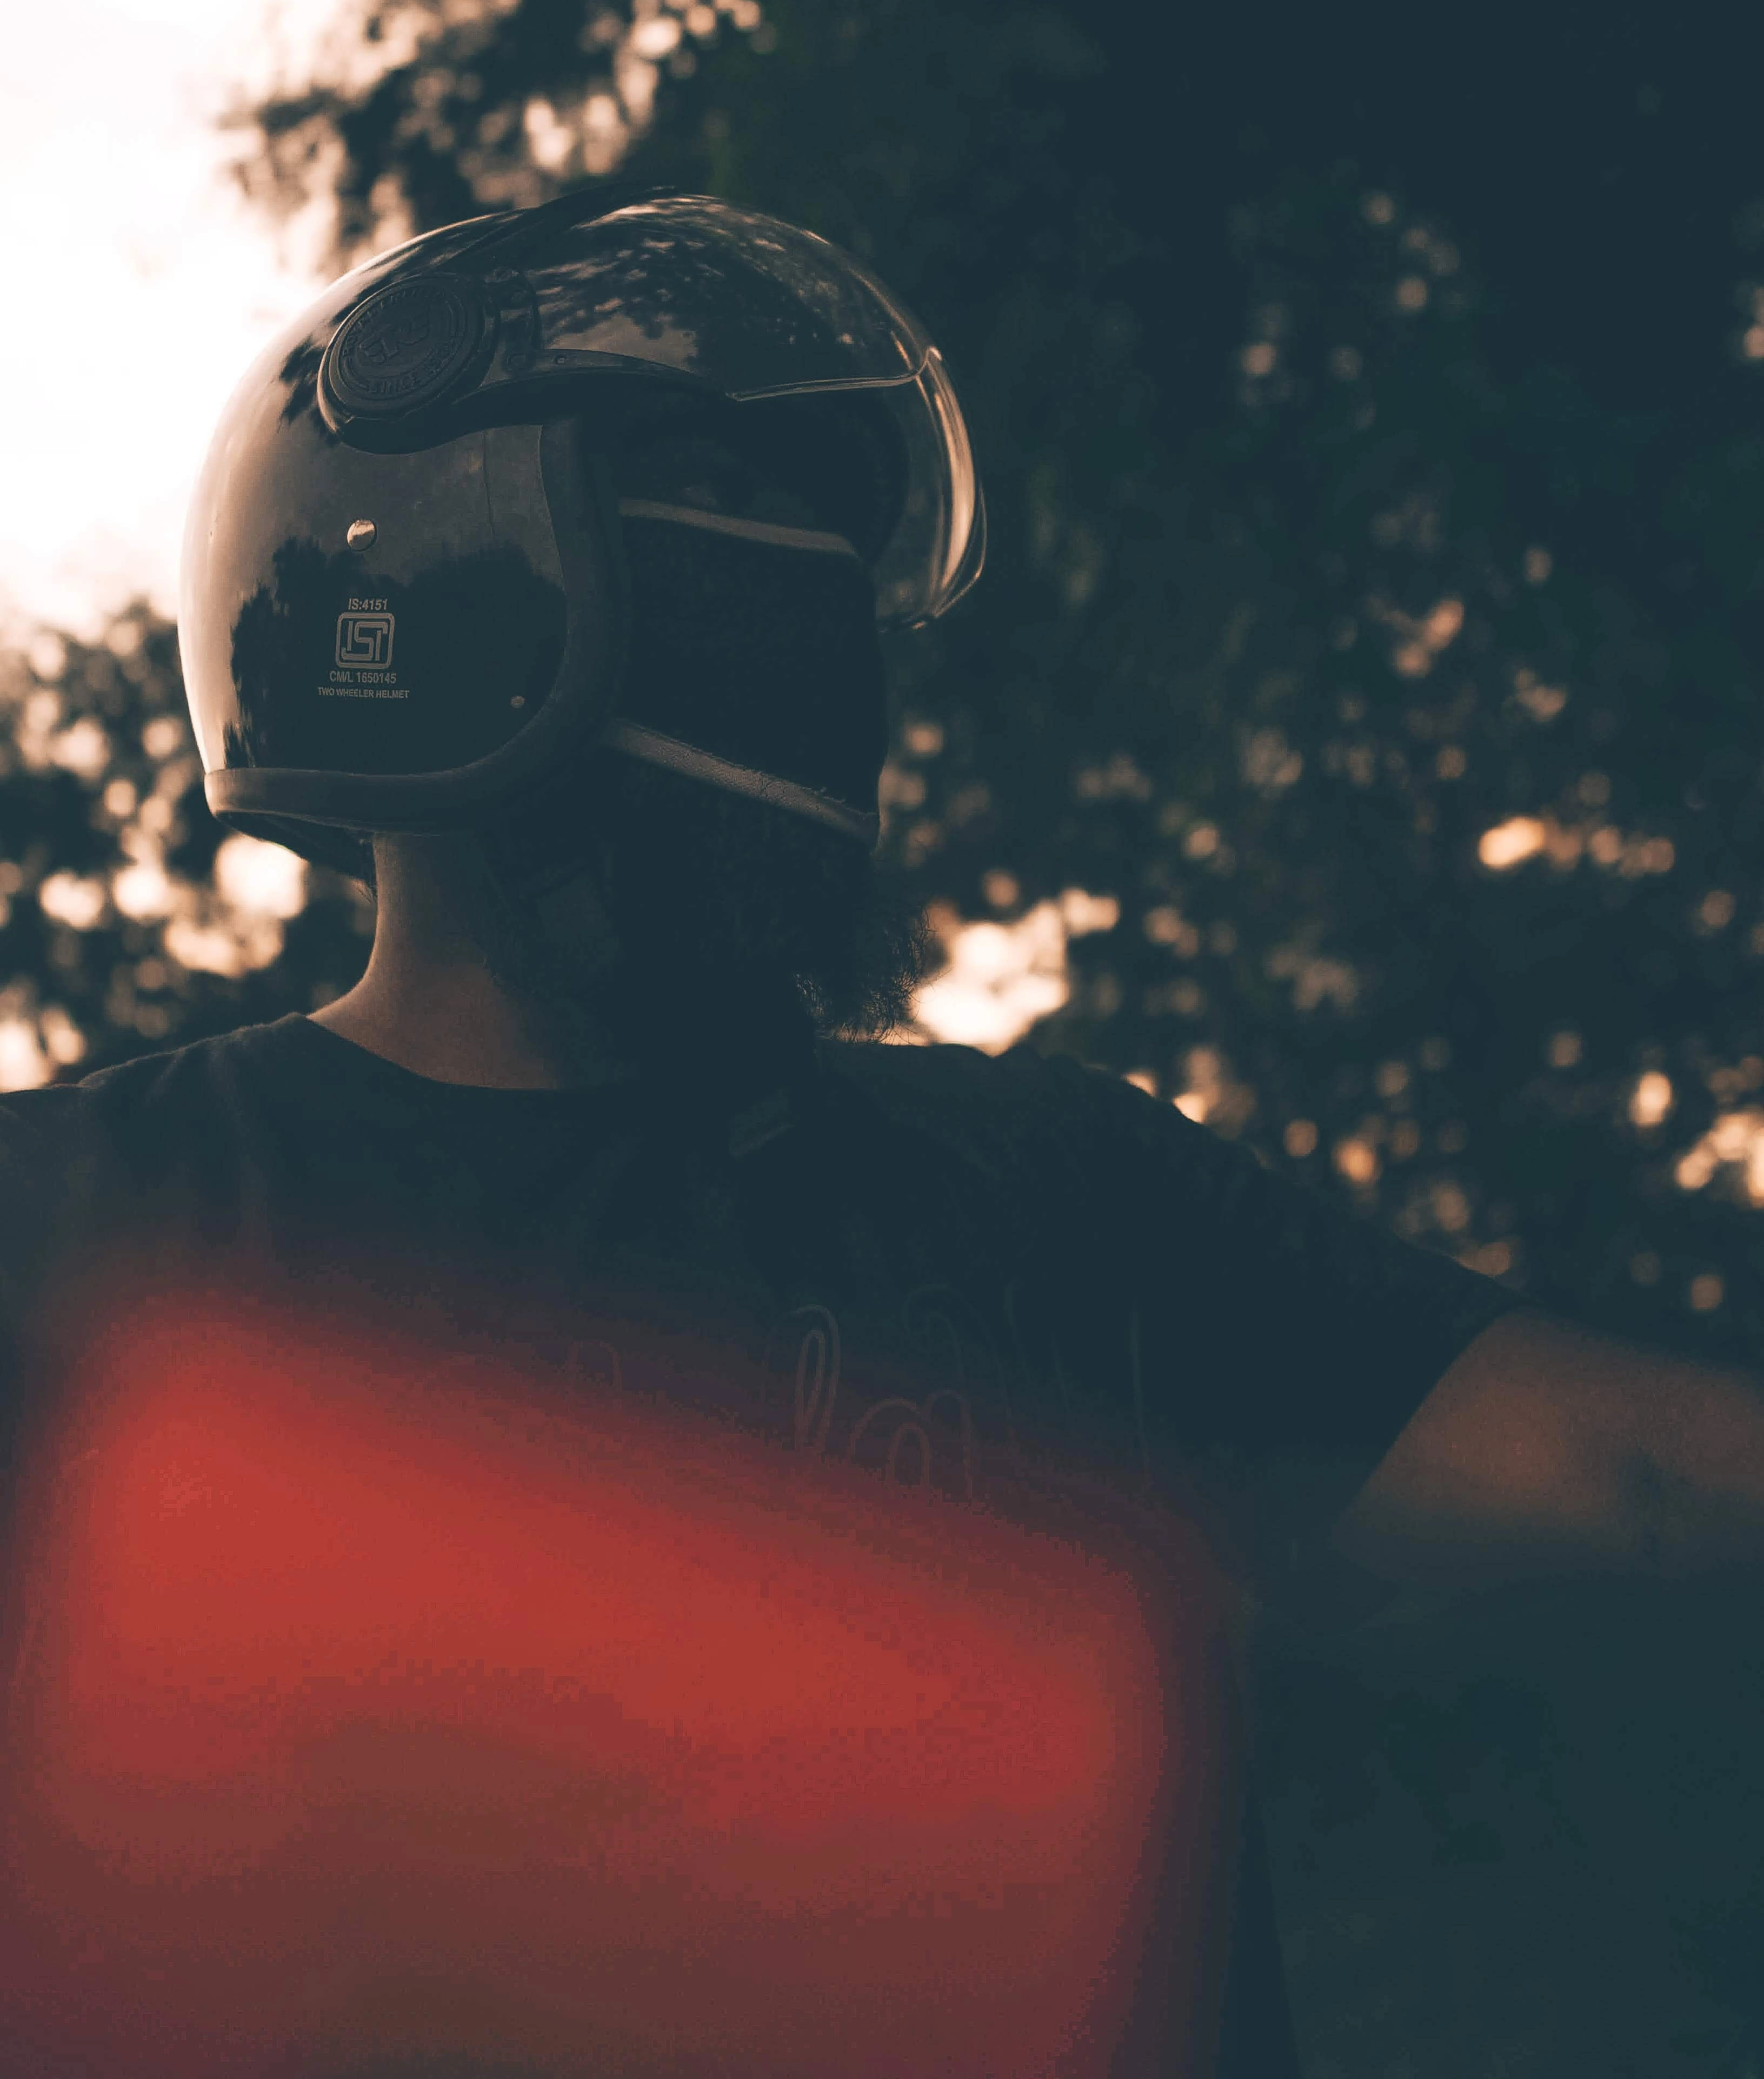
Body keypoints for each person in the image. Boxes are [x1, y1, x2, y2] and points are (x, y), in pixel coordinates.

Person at [2, 193, 1762, 2079]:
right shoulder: (72, 1234)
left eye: (832, 573)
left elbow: (1632, 1473)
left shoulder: (1055, 1190)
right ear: (438, 605)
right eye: (722, 537)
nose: (814, 654)